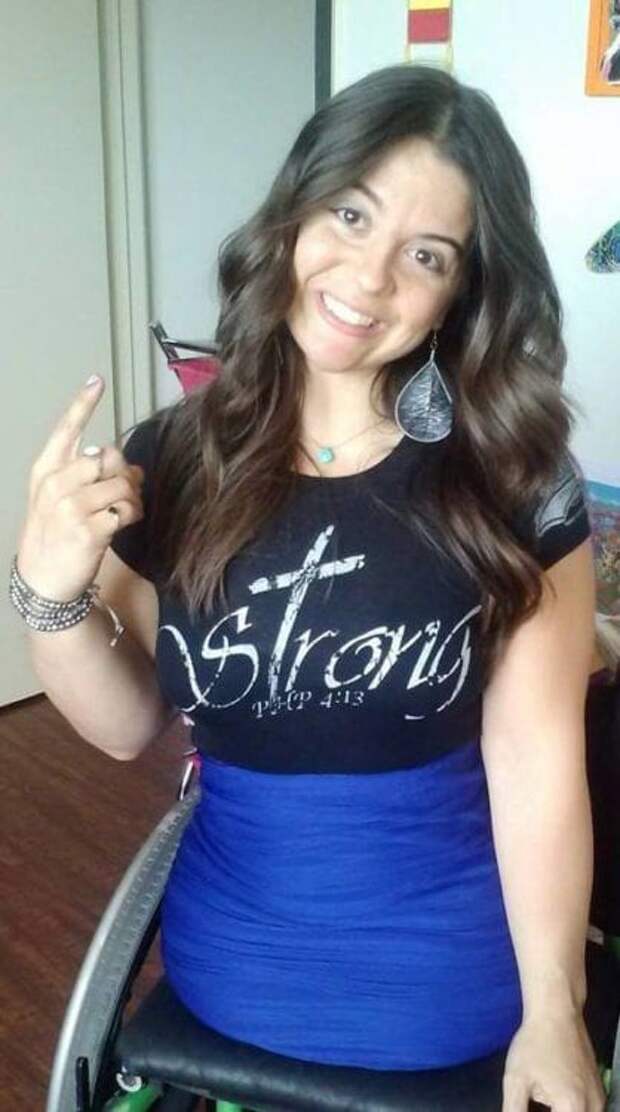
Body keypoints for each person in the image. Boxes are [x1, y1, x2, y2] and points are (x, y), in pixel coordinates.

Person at [13, 65, 605, 1110]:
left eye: (425, 254)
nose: (368, 278)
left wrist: (553, 1010)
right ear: (295, 210)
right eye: (350, 214)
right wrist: (48, 590)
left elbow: (535, 761)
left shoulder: (512, 477)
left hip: (447, 971)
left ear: (460, 292)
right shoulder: (175, 459)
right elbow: (123, 726)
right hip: (228, 957)